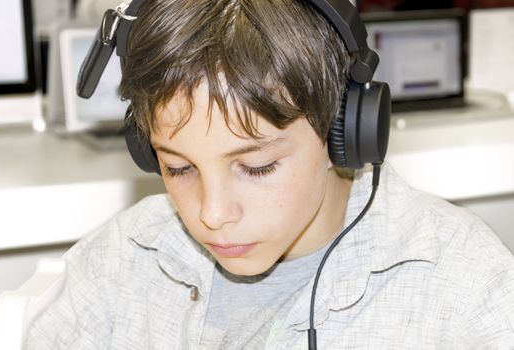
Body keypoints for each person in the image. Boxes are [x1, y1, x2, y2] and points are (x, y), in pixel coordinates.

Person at [27, 0, 514, 348]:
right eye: (178, 167)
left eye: (257, 167)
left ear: (342, 131)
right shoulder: (117, 263)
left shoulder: (465, 286)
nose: (213, 214)